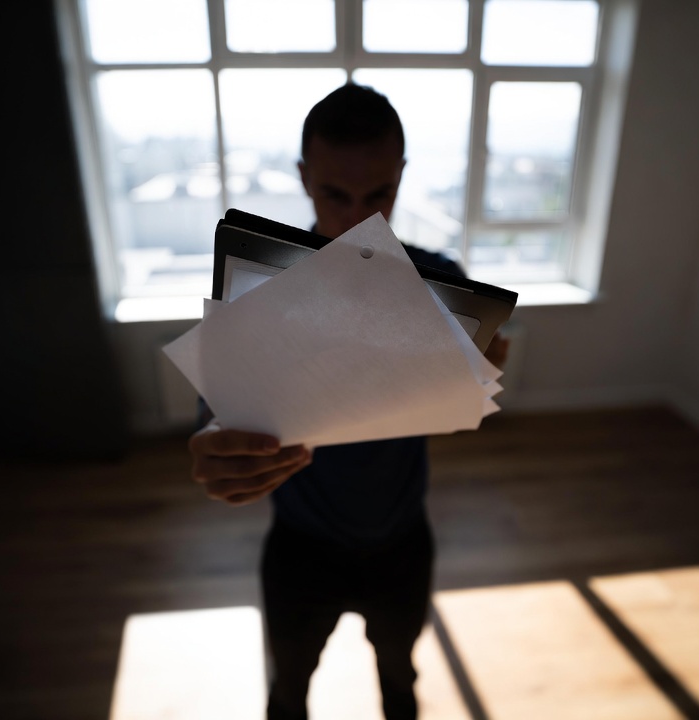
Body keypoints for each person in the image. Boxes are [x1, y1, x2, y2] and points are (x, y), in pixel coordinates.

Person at [188, 83, 508, 720]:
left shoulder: (438, 282)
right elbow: (216, 417)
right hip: (299, 547)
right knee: (288, 693)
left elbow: (479, 383)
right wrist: (215, 448)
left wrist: (485, 370)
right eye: (336, 193)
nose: (357, 216)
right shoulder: (260, 290)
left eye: (378, 194)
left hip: (402, 539)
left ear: (402, 177)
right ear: (305, 178)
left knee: (399, 684)